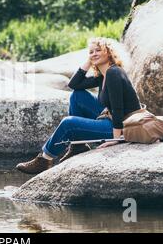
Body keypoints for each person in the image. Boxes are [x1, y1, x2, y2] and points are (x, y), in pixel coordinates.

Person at [16, 37, 142, 174]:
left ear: (109, 52)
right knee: (77, 96)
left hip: (123, 127)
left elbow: (118, 108)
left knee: (68, 123)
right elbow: (73, 85)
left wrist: (116, 139)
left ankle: (45, 159)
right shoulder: (104, 75)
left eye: (98, 50)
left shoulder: (114, 73)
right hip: (112, 119)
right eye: (91, 52)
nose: (94, 54)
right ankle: (78, 146)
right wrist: (89, 61)